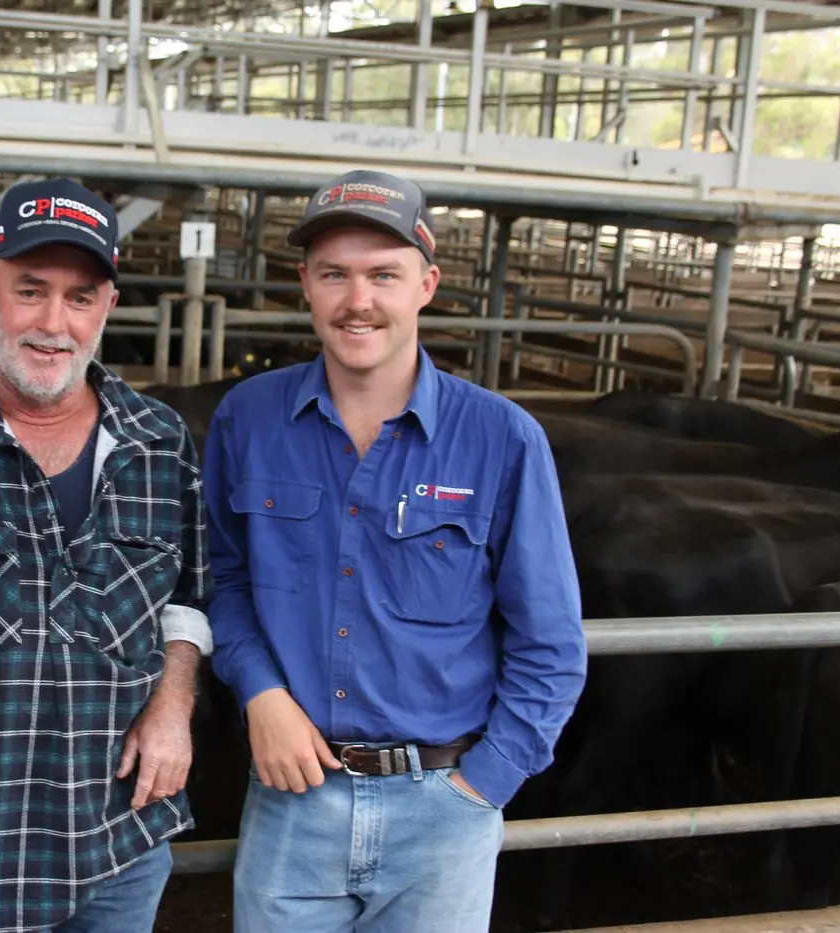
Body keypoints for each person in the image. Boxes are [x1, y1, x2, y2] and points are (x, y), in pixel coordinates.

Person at [202, 169, 588, 932]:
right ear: (305, 286)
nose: (358, 301)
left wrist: (486, 781)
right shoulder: (246, 418)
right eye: (334, 274)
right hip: (292, 796)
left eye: (384, 274)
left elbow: (550, 638)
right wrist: (260, 692)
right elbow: (225, 577)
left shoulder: (502, 438)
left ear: (426, 284)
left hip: (442, 804)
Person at [0, 177, 214, 933]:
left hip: (125, 823)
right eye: (30, 290)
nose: (54, 322)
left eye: (80, 296)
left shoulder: (159, 440)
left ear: (107, 307)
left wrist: (174, 705)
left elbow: (187, 596)